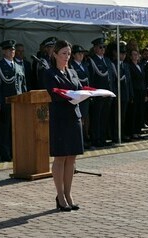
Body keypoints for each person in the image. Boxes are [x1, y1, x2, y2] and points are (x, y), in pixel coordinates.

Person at [44, 40, 83, 212]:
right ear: (55, 55)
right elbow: (53, 93)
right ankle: (60, 195)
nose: (67, 57)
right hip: (60, 118)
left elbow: (80, 88)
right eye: (63, 54)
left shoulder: (72, 71)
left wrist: (84, 94)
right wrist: (70, 95)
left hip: (74, 116)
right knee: (60, 157)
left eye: (68, 53)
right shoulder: (49, 73)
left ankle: (68, 194)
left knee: (72, 157)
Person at [0, 39, 27, 162]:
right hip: (5, 102)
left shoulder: (18, 65)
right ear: (4, 52)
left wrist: (25, 98)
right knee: (4, 130)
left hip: (18, 103)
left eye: (13, 50)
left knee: (16, 129)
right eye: (9, 50)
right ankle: (5, 154)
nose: (12, 52)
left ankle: (14, 152)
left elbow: (23, 85)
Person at [70, 44, 91, 149]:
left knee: (86, 117)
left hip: (85, 94)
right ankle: (81, 139)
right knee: (80, 118)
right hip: (78, 94)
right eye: (79, 53)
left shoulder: (84, 65)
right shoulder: (72, 66)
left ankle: (85, 137)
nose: (81, 55)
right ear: (73, 55)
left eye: (82, 53)